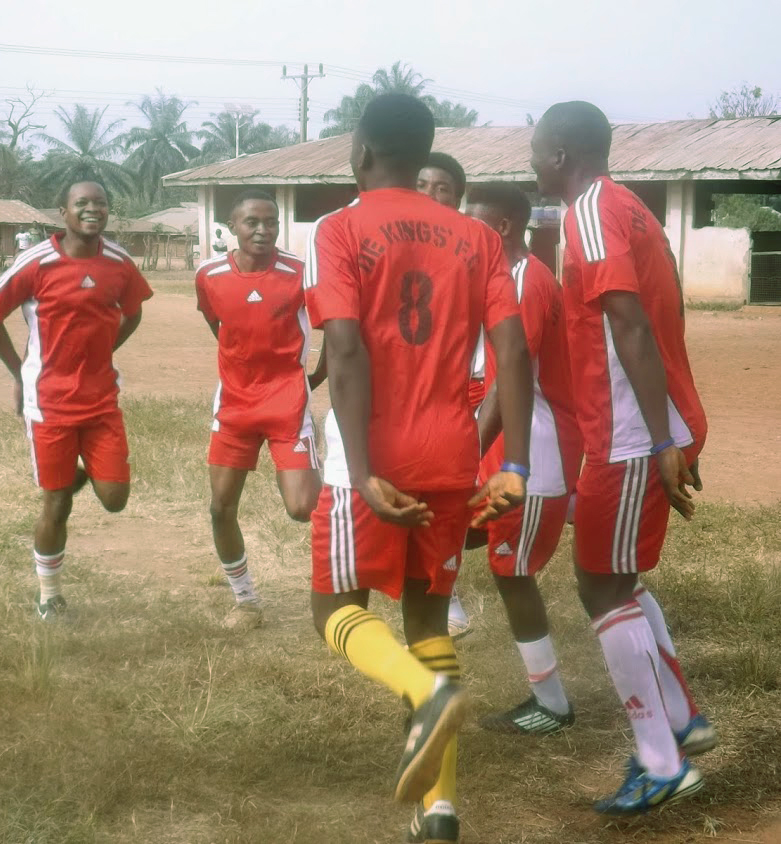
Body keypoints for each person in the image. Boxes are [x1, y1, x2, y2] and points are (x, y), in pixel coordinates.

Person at [304, 93, 533, 843]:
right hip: (451, 452)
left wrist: (363, 466)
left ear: (361, 151)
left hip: (373, 456)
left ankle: (425, 695)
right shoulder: (477, 237)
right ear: (422, 150)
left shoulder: (338, 229)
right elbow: (512, 351)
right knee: (427, 617)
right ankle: (439, 812)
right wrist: (516, 463)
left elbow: (343, 348)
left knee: (333, 608)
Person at [531, 100, 715, 814]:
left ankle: (661, 762)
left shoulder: (587, 212)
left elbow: (631, 324)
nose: (530, 162)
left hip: (630, 434)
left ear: (558, 155)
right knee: (618, 579)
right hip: (643, 425)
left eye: (535, 150)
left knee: (599, 587)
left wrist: (661, 439)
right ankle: (681, 719)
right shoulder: (632, 207)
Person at [0, 178, 152, 621]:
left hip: (101, 399)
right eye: (82, 203)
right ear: (63, 212)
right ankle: (49, 595)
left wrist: (105, 350)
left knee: (115, 498)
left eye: (101, 202)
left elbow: (133, 312)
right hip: (49, 402)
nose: (93, 209)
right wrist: (19, 372)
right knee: (56, 503)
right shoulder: (36, 262)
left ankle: (73, 473)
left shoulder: (119, 263)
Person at [466, 182, 583, 735]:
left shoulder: (525, 283)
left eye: (473, 222)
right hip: (515, 452)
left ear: (503, 228)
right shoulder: (505, 277)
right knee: (455, 535)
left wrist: (464, 452)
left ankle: (552, 704)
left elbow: (508, 383)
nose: (465, 232)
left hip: (534, 457)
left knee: (511, 573)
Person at [195, 189, 325, 630]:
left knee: (302, 508)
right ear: (232, 226)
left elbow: (335, 327)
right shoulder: (209, 274)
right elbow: (218, 324)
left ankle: (337, 570)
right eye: (252, 222)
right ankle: (246, 601)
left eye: (271, 222)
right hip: (234, 406)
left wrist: (313, 379)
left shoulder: (300, 274)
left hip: (288, 405)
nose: (263, 230)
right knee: (220, 507)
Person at [417, 150, 475, 642]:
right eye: (422, 185)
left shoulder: (471, 251)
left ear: (458, 200)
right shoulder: (394, 248)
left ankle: (446, 591)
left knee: (454, 501)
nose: (432, 196)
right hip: (409, 394)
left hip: (465, 388)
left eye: (443, 189)